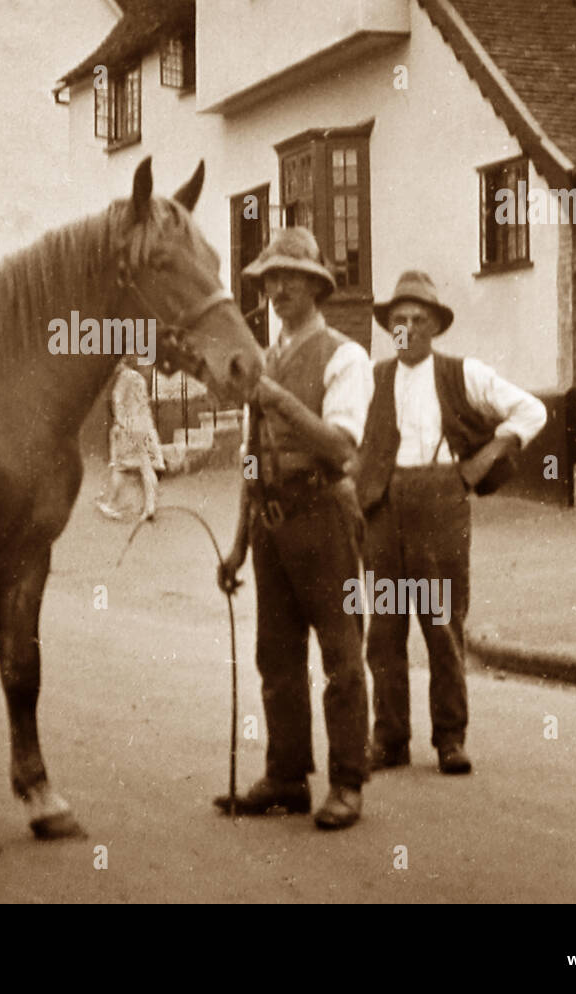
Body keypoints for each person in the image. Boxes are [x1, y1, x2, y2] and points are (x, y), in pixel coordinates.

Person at [356, 270, 547, 776]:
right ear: (388, 327)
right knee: (385, 629)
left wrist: (480, 464)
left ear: (436, 326)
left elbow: (531, 411)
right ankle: (390, 738)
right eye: (399, 319)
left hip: (442, 504)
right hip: (383, 507)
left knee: (441, 625)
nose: (409, 328)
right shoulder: (370, 380)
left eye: (420, 319)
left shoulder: (463, 374)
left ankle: (450, 739)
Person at [214, 228, 373, 830]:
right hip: (270, 525)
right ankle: (285, 776)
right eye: (268, 278)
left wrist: (277, 399)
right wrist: (236, 545)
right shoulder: (266, 357)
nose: (276, 288)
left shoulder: (346, 357)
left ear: (316, 285)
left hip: (324, 518)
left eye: (289, 277)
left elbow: (340, 450)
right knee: (275, 657)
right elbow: (252, 457)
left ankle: (348, 783)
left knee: (340, 653)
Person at [96, 354, 165, 522]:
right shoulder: (139, 378)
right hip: (145, 427)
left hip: (129, 428)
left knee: (119, 466)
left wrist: (119, 425)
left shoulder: (122, 380)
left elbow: (118, 404)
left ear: (121, 364)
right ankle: (150, 506)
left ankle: (112, 504)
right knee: (146, 467)